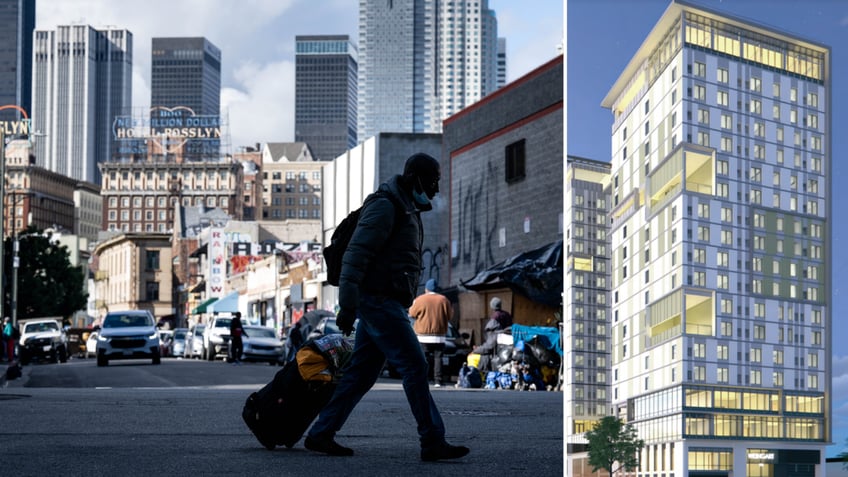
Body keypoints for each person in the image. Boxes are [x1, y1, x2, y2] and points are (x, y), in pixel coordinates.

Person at [305, 153, 469, 462]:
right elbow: (356, 255)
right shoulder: (386, 205)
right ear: (413, 177)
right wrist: (348, 306)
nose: (434, 189)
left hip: (383, 301)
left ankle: (320, 433)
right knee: (414, 365)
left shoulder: (406, 207)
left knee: (361, 374)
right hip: (378, 301)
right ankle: (432, 439)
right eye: (431, 181)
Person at [408, 278, 453, 387]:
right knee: (438, 358)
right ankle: (438, 380)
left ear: (426, 289)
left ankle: (424, 379)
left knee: (424, 358)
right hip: (439, 335)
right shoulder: (444, 300)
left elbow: (411, 313)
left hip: (423, 336)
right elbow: (450, 316)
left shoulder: (420, 300)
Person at [472, 297, 513, 372]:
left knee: (472, 357)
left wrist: (476, 350)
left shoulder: (495, 320)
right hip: (507, 351)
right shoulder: (507, 315)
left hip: (496, 353)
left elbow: (490, 346)